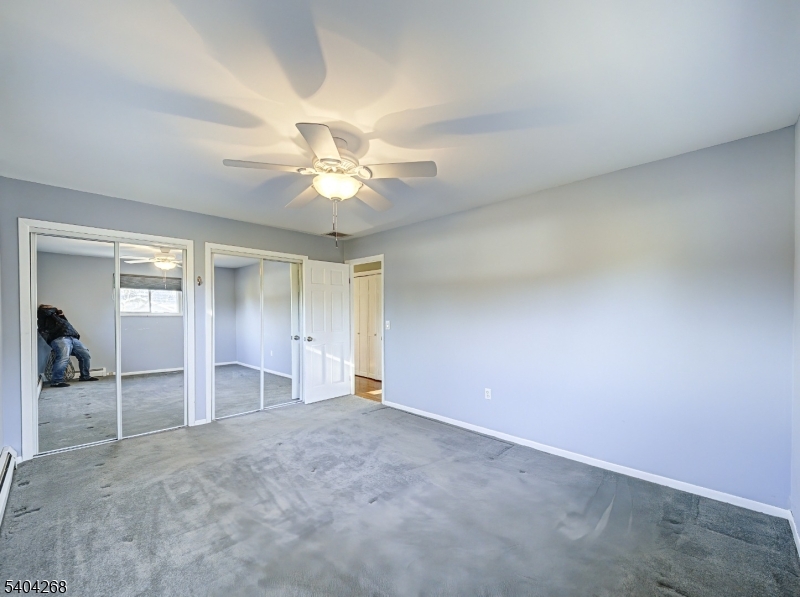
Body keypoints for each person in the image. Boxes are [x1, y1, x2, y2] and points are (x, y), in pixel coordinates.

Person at [37, 305, 99, 388]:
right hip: (59, 338)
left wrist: (62, 315)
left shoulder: (55, 316)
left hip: (72, 337)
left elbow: (65, 325)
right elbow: (44, 312)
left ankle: (85, 376)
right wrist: (55, 309)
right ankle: (57, 381)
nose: (52, 307)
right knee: (63, 357)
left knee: (85, 354)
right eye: (49, 307)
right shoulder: (42, 313)